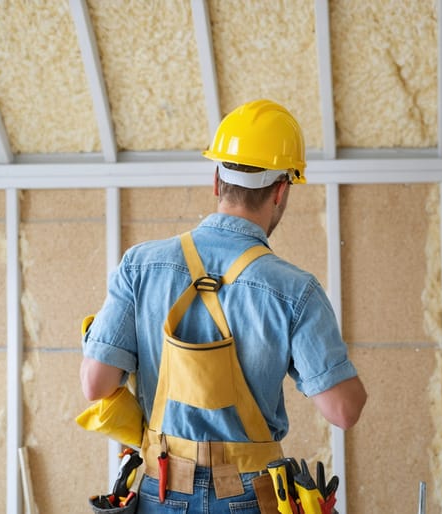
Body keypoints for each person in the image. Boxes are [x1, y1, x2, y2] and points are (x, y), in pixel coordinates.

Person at [79, 99, 367, 514]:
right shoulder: (295, 290)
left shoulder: (139, 266)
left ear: (217, 180)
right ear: (281, 190)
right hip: (252, 496)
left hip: (159, 489)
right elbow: (343, 410)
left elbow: (96, 385)